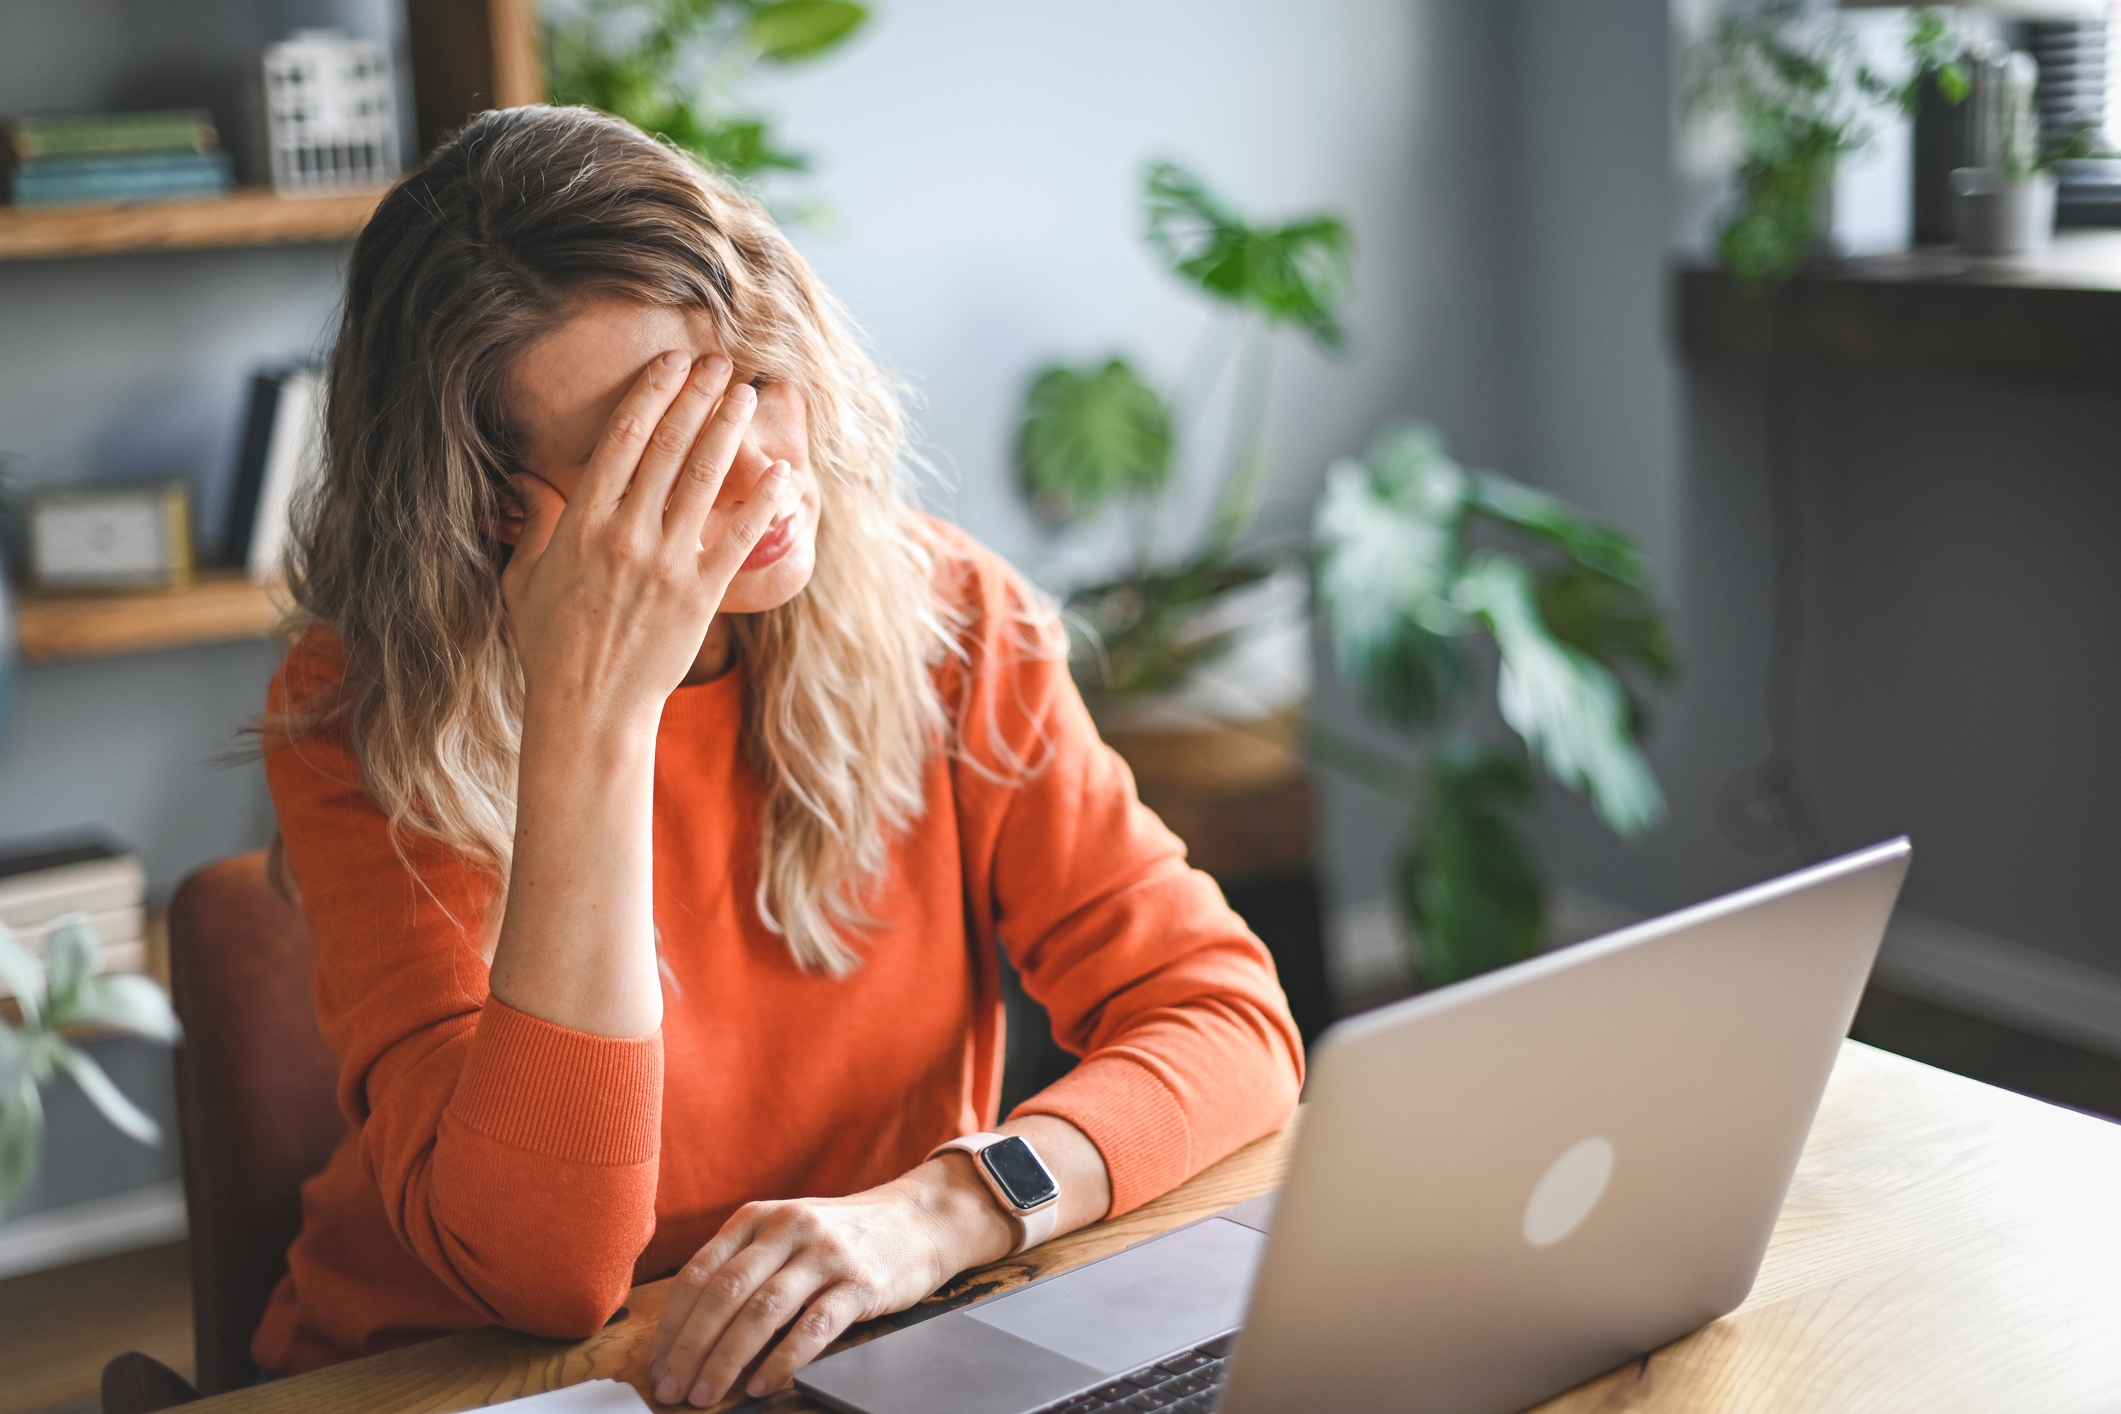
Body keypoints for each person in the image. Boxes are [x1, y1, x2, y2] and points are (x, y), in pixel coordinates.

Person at [256, 105, 1302, 1408]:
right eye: (667, 439)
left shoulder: (952, 618)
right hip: (460, 1377)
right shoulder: (360, 711)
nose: (762, 470)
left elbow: (1226, 1019)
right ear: (492, 507)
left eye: (757, 375)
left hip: (855, 1344)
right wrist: (595, 713)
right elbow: (549, 1278)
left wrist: (942, 1212)